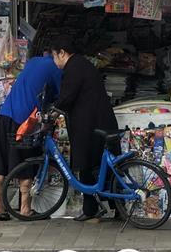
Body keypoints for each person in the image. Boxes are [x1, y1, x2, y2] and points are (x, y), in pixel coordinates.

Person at [50, 37, 119, 222]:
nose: (54, 62)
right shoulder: (82, 64)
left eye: (54, 57)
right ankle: (114, 208)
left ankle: (92, 209)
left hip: (90, 125)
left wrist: (52, 111)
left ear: (62, 53)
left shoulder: (73, 68)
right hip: (98, 122)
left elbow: (67, 96)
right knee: (102, 165)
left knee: (87, 165)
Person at [0, 51, 62, 220]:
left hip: (5, 114)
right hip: (25, 122)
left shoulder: (33, 61)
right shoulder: (56, 69)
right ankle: (25, 209)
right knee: (26, 163)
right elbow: (60, 97)